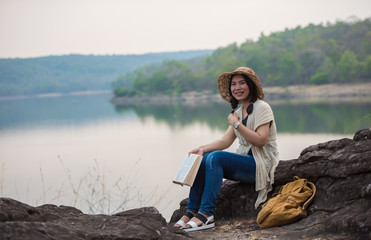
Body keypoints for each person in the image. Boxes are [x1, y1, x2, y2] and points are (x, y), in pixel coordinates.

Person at [174, 66, 279, 232]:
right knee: (206, 156)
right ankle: (192, 210)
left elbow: (260, 140)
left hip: (261, 165)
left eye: (242, 83)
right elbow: (226, 140)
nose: (237, 87)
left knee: (216, 158)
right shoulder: (238, 111)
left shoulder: (262, 107)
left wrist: (236, 123)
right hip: (245, 163)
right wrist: (201, 148)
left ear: (251, 85)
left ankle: (207, 214)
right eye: (234, 84)